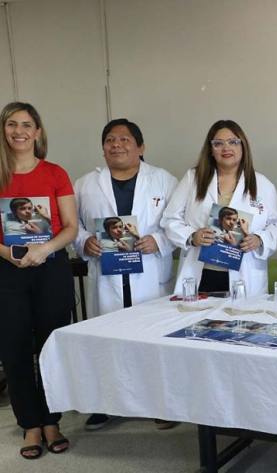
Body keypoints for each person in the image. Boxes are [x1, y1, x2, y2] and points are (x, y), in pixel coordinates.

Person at [74, 118, 178, 430]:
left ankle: (160, 403)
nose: (116, 145)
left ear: (140, 147)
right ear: (103, 148)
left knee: (153, 338)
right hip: (106, 274)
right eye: (110, 140)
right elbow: (72, 224)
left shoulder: (164, 181)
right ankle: (106, 403)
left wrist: (158, 240)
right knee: (107, 339)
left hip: (150, 272)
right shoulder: (85, 184)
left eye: (124, 139)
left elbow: (178, 222)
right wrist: (84, 242)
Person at [0, 102, 78, 459]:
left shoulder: (55, 173)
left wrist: (44, 249)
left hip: (50, 266)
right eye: (11, 124)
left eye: (26, 125)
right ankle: (29, 423)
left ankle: (51, 419)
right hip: (7, 269)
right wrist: (8, 254)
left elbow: (71, 227)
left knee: (51, 344)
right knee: (14, 346)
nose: (19, 131)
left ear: (38, 132)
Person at [162, 120, 277, 295]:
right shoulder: (193, 179)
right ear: (211, 150)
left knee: (241, 312)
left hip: (244, 273)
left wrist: (260, 239)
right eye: (218, 143)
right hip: (201, 272)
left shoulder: (262, 184)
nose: (226, 148)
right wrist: (191, 236)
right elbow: (170, 219)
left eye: (233, 142)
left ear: (243, 146)